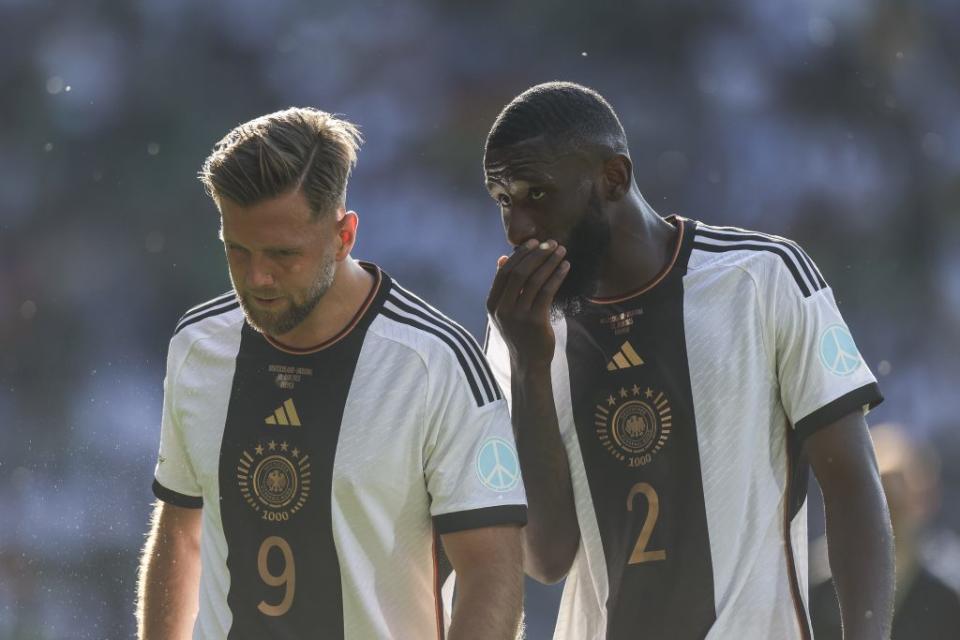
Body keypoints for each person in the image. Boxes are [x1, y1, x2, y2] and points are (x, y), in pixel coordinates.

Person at [482, 82, 894, 639]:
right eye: (504, 199)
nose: (517, 227)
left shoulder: (762, 278)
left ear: (613, 178)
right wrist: (530, 366)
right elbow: (546, 557)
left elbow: (850, 480)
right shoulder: (523, 327)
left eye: (536, 194)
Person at [136, 107, 527, 639]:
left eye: (282, 254)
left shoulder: (436, 363)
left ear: (344, 236)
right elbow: (181, 533)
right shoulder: (197, 345)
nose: (257, 277)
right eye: (237, 250)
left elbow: (491, 569)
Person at [811, 424, 960, 638]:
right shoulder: (821, 583)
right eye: (883, 488)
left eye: (900, 487)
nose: (891, 503)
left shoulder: (945, 592)